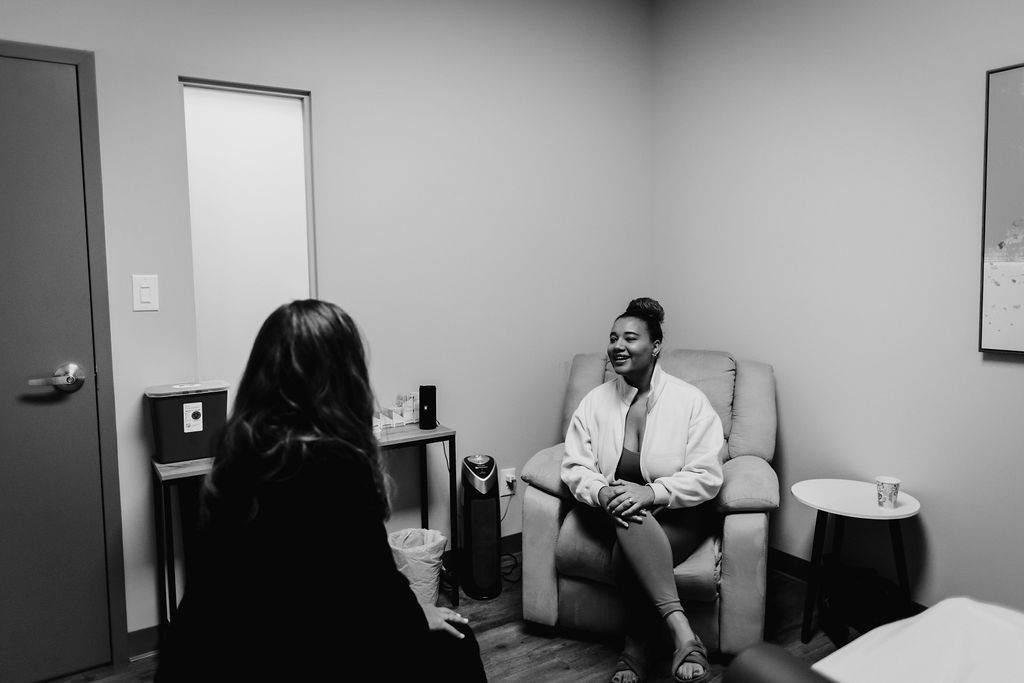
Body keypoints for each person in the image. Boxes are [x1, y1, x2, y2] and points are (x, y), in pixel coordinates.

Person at [155, 299, 487, 682]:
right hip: (290, 651)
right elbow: (374, 590)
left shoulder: (236, 450)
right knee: (459, 641)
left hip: (202, 655)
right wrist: (418, 614)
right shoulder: (332, 464)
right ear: (344, 377)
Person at [561, 297, 724, 683]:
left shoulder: (690, 401)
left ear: (655, 347)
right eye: (613, 337)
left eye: (629, 338)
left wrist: (651, 494)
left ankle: (634, 649)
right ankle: (683, 633)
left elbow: (707, 474)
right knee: (627, 515)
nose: (617, 345)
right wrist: (602, 493)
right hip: (610, 511)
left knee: (625, 556)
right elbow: (574, 466)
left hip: (679, 516)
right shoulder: (594, 402)